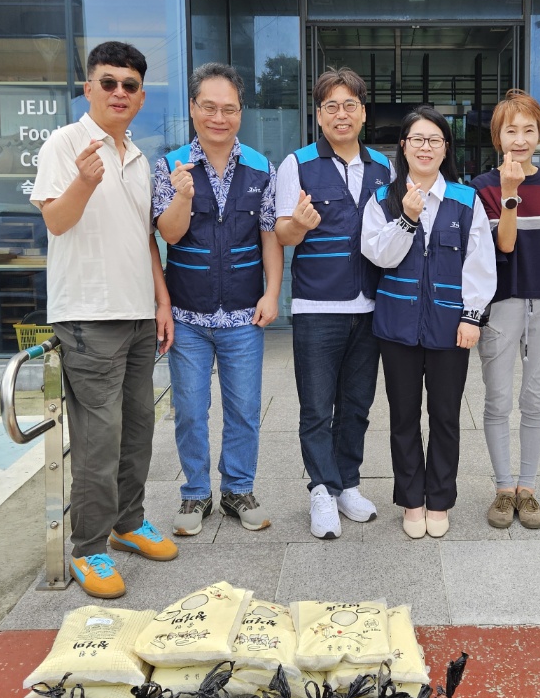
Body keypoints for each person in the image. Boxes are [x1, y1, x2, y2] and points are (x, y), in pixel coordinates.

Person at [31, 41, 176, 600]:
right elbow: (58, 223)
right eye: (108, 82)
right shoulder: (64, 144)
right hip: (89, 317)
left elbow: (144, 239)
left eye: (130, 85)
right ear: (88, 87)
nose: (119, 92)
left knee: (139, 427)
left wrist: (161, 301)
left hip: (139, 312)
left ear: (140, 96)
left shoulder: (137, 155)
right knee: (98, 437)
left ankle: (128, 521)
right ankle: (89, 547)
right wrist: (84, 182)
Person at [154, 63, 282, 536]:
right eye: (208, 107)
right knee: (189, 409)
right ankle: (194, 495)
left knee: (244, 408)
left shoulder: (260, 167)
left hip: (244, 314)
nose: (218, 117)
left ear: (240, 113)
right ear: (193, 109)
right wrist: (182, 196)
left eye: (228, 109)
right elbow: (168, 233)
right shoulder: (170, 166)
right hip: (188, 315)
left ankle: (238, 490)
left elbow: (270, 235)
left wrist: (272, 293)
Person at [361, 106, 496, 539]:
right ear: (403, 147)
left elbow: (480, 262)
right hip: (397, 326)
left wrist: (472, 316)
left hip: (449, 327)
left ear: (445, 149)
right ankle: (411, 499)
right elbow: (378, 255)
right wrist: (407, 218)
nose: (425, 147)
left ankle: (439, 499)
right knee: (402, 417)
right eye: (416, 139)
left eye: (434, 139)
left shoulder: (465, 198)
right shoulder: (382, 199)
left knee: (445, 416)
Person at [275, 68, 393, 539]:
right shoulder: (297, 164)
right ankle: (320, 491)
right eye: (331, 107)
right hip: (317, 307)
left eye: (349, 106)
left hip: (371, 307)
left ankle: (348, 483)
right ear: (319, 115)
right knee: (316, 407)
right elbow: (283, 233)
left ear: (363, 113)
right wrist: (300, 224)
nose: (341, 115)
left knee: (358, 403)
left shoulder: (385, 167)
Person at [471, 90, 540, 530]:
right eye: (510, 130)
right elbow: (500, 247)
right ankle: (501, 488)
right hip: (502, 303)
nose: (519, 138)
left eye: (528, 129)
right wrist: (510, 194)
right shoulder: (480, 187)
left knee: (534, 400)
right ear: (498, 136)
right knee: (496, 400)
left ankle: (527, 489)